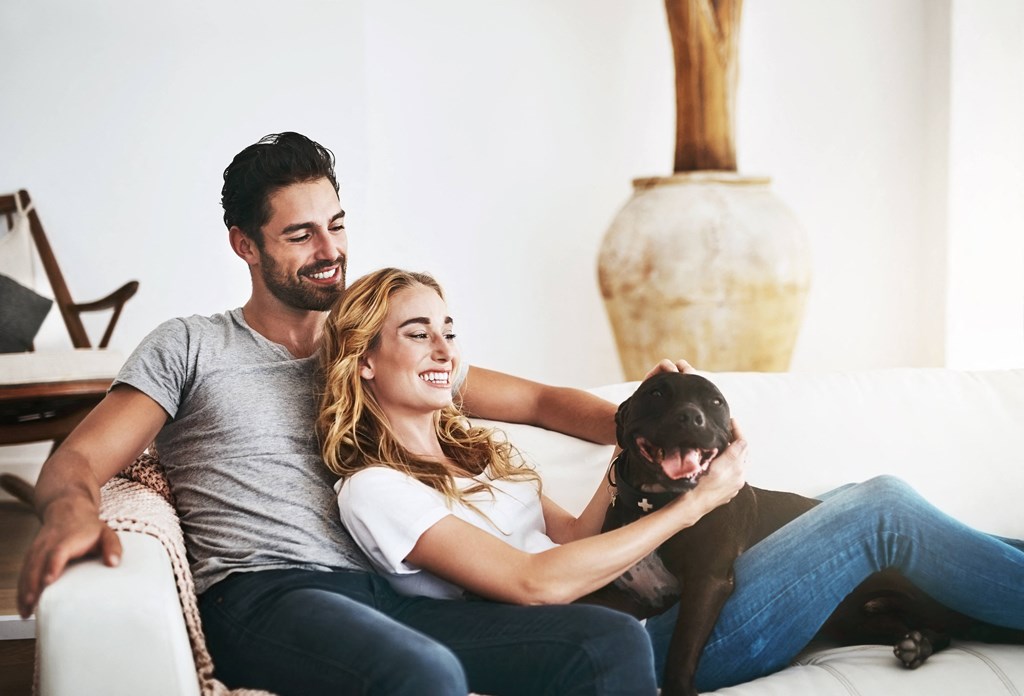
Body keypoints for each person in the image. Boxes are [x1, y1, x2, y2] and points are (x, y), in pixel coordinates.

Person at [16, 132, 687, 696]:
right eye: (301, 235)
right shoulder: (192, 346)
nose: (330, 250)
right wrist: (73, 510)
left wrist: (643, 423)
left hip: (382, 591)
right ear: (245, 245)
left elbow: (540, 402)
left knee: (606, 642)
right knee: (422, 673)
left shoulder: (375, 346)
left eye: (336, 225)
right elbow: (77, 459)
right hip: (264, 596)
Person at [319, 266, 1024, 694]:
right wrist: (696, 505)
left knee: (845, 501)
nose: (447, 349)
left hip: (637, 612)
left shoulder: (472, 454)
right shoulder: (375, 489)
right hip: (631, 647)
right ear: (367, 362)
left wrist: (639, 447)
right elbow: (539, 583)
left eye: (449, 328)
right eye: (417, 334)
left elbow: (570, 539)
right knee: (881, 510)